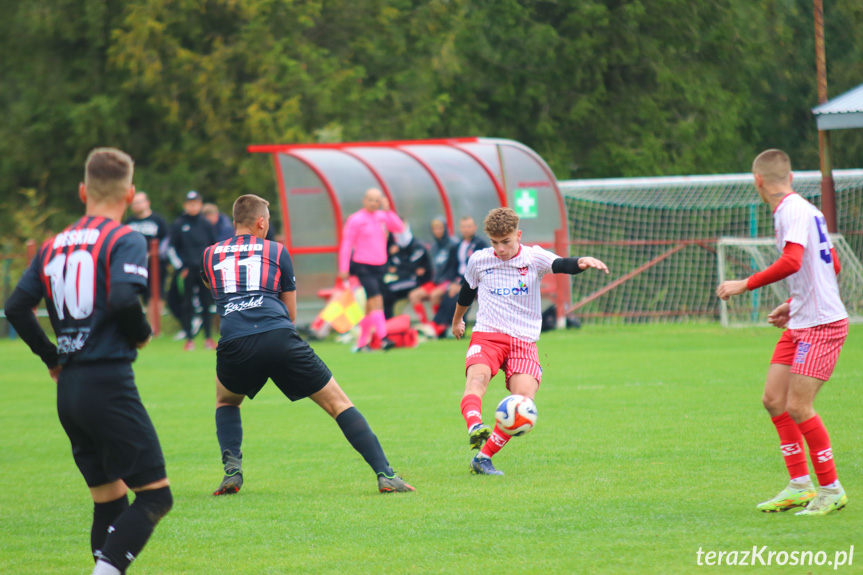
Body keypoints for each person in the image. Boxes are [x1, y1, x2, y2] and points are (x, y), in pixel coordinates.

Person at [4, 148, 172, 575]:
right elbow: (121, 298)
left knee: (111, 500)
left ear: (83, 191)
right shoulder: (124, 238)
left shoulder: (51, 245)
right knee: (155, 496)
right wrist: (141, 333)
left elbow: (17, 308)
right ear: (130, 192)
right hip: (108, 381)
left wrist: (52, 357)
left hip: (71, 389)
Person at [202, 194, 415, 495]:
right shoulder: (276, 251)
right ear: (261, 222)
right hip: (278, 335)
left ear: (235, 221)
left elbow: (219, 298)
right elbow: (290, 313)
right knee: (338, 403)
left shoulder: (210, 254)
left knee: (226, 401)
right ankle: (385, 474)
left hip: (235, 340)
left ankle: (232, 470)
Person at [716, 149, 849, 516]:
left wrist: (745, 283)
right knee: (774, 400)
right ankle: (799, 486)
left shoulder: (791, 210)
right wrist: (793, 304)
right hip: (802, 321)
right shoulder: (805, 209)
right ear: (789, 176)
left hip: (822, 325)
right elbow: (831, 264)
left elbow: (792, 261)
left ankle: (831, 489)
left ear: (757, 181)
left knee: (798, 406)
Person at [452, 207, 609, 476]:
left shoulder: (533, 257)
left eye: (506, 242)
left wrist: (582, 261)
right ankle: (475, 426)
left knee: (523, 400)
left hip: (523, 341)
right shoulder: (479, 260)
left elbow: (561, 264)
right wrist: (457, 321)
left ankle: (483, 458)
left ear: (518, 235)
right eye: (494, 243)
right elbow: (467, 292)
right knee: (476, 381)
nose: (500, 249)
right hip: (488, 335)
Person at [338, 188, 405, 351]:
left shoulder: (382, 217)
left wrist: (388, 210)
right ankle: (383, 337)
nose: (374, 204)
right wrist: (343, 267)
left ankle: (362, 343)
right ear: (364, 200)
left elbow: (399, 227)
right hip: (362, 265)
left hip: (379, 265)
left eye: (377, 200)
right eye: (371, 200)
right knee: (376, 298)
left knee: (370, 304)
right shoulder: (356, 219)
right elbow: (347, 243)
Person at [168, 190, 217, 350]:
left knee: (206, 303)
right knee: (187, 303)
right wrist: (180, 267)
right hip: (187, 271)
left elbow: (213, 246)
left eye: (196, 203)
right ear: (185, 205)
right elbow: (171, 248)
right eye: (190, 203)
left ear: (200, 204)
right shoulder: (179, 224)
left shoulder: (205, 223)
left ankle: (208, 338)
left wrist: (210, 266)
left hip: (204, 270)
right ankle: (189, 339)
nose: (193, 206)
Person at [427, 216, 488, 338]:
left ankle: (450, 325)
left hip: (474, 281)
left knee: (459, 294)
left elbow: (481, 267)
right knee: (448, 292)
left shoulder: (480, 244)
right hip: (457, 280)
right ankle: (441, 324)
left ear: (475, 228)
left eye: (469, 226)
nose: (466, 230)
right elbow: (452, 267)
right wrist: (454, 282)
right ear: (460, 228)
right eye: (464, 227)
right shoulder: (457, 245)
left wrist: (460, 284)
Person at [408, 216, 457, 323]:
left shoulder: (453, 245)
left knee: (434, 295)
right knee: (414, 295)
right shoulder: (434, 247)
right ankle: (425, 325)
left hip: (449, 282)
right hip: (436, 281)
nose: (437, 231)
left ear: (445, 228)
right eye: (435, 228)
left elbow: (457, 266)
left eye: (440, 228)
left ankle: (437, 324)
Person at [124, 191, 169, 304]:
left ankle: (154, 321)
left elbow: (166, 241)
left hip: (155, 265)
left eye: (139, 202)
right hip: (135, 264)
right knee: (137, 296)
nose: (137, 205)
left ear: (147, 202)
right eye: (134, 203)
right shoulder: (128, 223)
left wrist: (156, 254)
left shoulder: (158, 220)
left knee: (155, 296)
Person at [381, 225, 432, 319]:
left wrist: (399, 268)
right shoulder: (395, 248)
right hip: (403, 279)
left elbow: (411, 265)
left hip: (417, 281)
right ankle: (388, 323)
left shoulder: (418, 246)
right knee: (383, 290)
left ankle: (389, 322)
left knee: (388, 291)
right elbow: (390, 266)